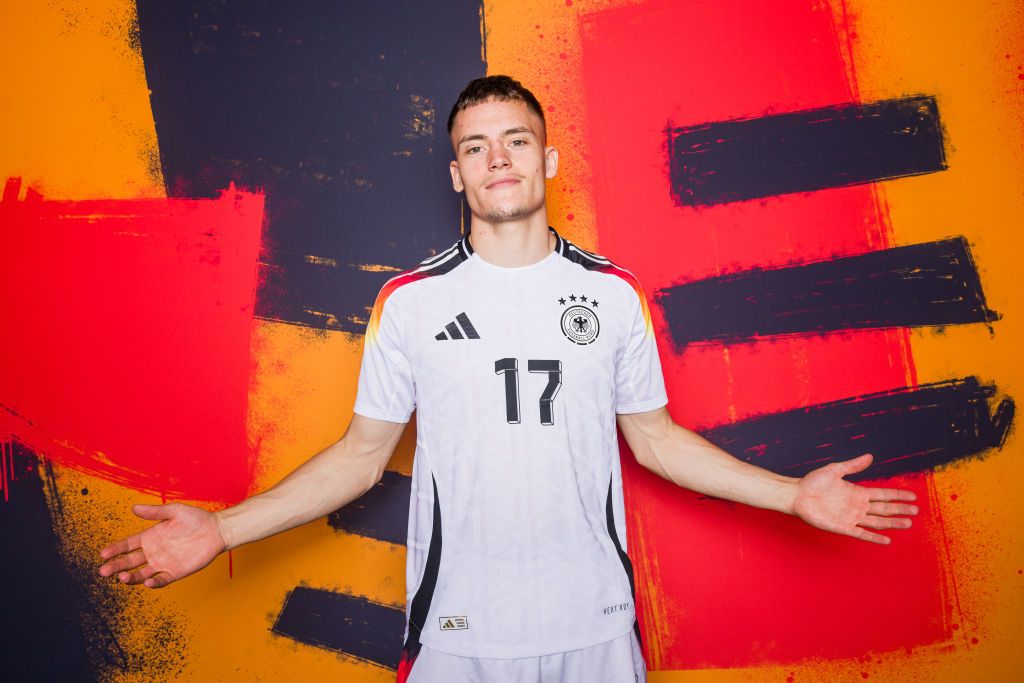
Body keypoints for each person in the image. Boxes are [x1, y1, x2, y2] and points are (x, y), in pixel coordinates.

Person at [99, 76, 919, 682]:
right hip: (459, 638)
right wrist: (224, 529)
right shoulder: (409, 302)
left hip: (595, 630)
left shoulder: (612, 293)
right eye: (475, 147)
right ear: (456, 173)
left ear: (547, 158)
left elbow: (657, 439)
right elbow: (359, 457)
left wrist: (792, 495)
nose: (498, 159)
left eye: (516, 140)